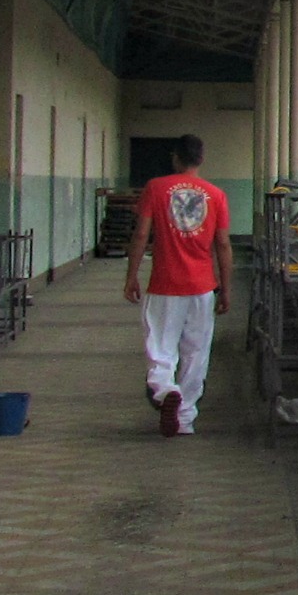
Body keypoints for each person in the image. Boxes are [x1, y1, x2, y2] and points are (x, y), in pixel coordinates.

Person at [124, 134, 231, 436]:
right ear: (201, 159)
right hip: (202, 287)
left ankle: (164, 391)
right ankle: (183, 419)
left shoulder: (155, 188)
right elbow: (223, 244)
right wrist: (226, 287)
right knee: (196, 353)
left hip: (164, 285)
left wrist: (131, 275)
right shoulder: (216, 195)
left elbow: (141, 235)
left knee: (160, 346)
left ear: (175, 157)